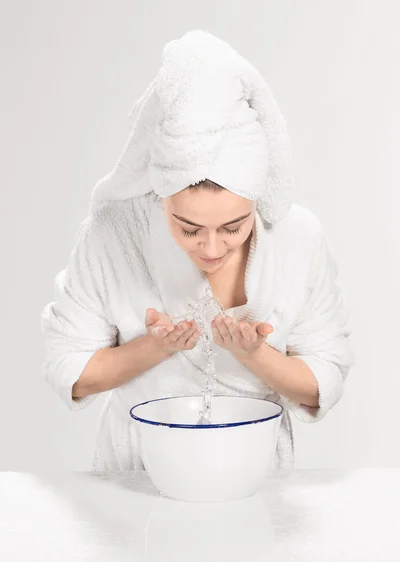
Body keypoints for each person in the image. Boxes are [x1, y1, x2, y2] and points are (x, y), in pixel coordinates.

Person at [40, 31, 354, 472]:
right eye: (188, 229)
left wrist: (254, 355)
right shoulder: (114, 232)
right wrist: (154, 347)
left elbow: (325, 381)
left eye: (233, 227)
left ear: (256, 200)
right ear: (160, 195)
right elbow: (67, 367)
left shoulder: (298, 237)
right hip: (135, 475)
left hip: (254, 474)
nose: (211, 247)